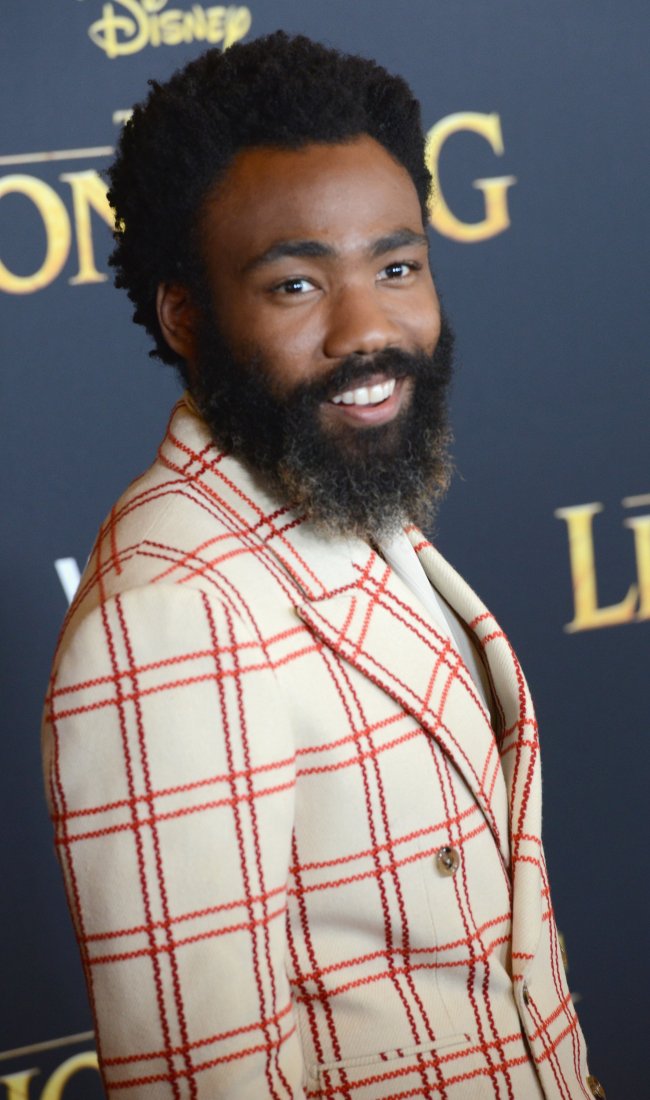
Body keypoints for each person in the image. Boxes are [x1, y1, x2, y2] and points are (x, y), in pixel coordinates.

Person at [41, 31, 604, 1100]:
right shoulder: (170, 614)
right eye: (296, 284)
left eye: (396, 267)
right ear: (184, 314)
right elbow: (200, 1081)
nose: (368, 328)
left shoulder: (346, 496)